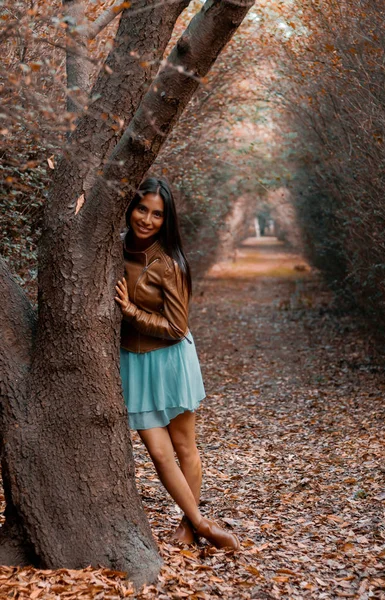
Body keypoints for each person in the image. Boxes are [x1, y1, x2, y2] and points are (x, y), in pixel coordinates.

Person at [115, 177, 239, 550]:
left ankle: (188, 526)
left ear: (166, 220)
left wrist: (132, 312)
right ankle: (204, 524)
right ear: (130, 208)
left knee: (184, 447)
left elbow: (176, 326)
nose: (147, 220)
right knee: (156, 451)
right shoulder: (112, 248)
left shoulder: (170, 263)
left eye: (157, 214)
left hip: (169, 359)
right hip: (133, 363)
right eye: (142, 209)